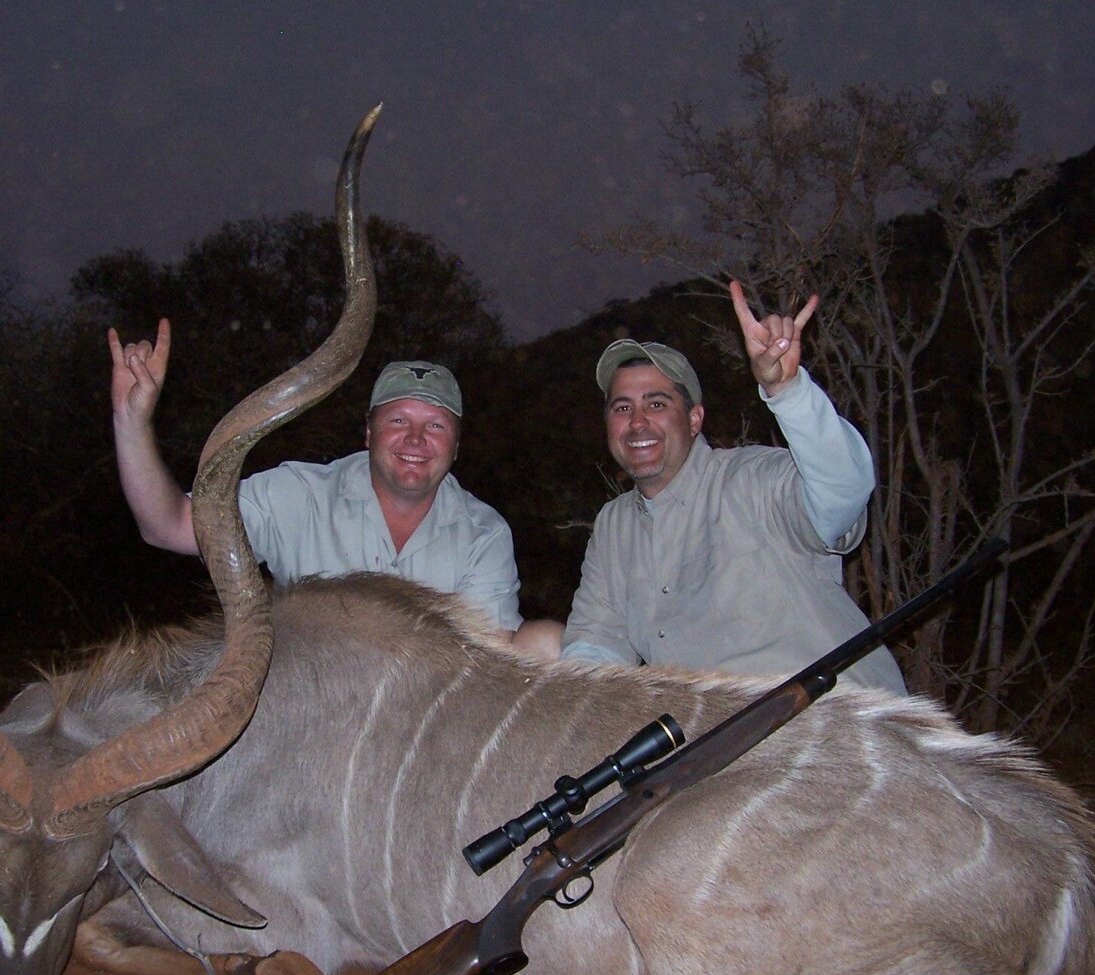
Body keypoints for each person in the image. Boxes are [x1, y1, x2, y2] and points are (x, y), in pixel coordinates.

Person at [111, 319, 562, 653]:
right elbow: (168, 526)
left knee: (546, 645)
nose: (416, 440)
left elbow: (488, 658)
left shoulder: (483, 532)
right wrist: (132, 423)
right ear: (368, 434)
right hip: (311, 711)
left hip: (422, 714)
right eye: (398, 420)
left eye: (436, 426)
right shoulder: (299, 493)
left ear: (456, 447)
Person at [559, 282, 907, 694]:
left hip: (838, 725)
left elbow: (842, 492)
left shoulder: (755, 478)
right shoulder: (614, 526)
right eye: (622, 408)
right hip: (712, 743)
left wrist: (788, 391)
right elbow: (595, 647)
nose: (637, 422)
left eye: (657, 404)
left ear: (693, 419)